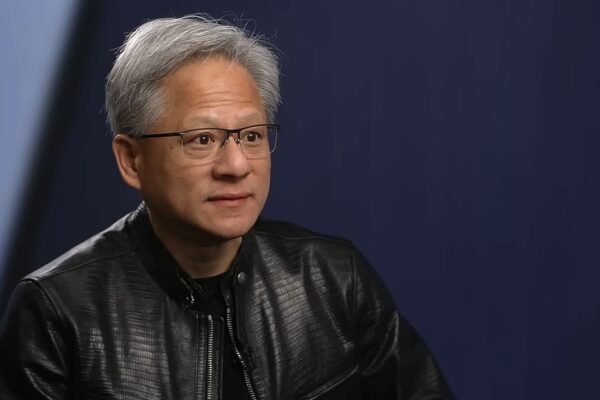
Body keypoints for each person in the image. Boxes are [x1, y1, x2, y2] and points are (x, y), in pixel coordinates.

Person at [0, 15, 455, 399]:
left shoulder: (333, 277)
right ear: (131, 159)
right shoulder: (56, 312)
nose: (237, 165)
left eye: (252, 136)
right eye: (202, 139)